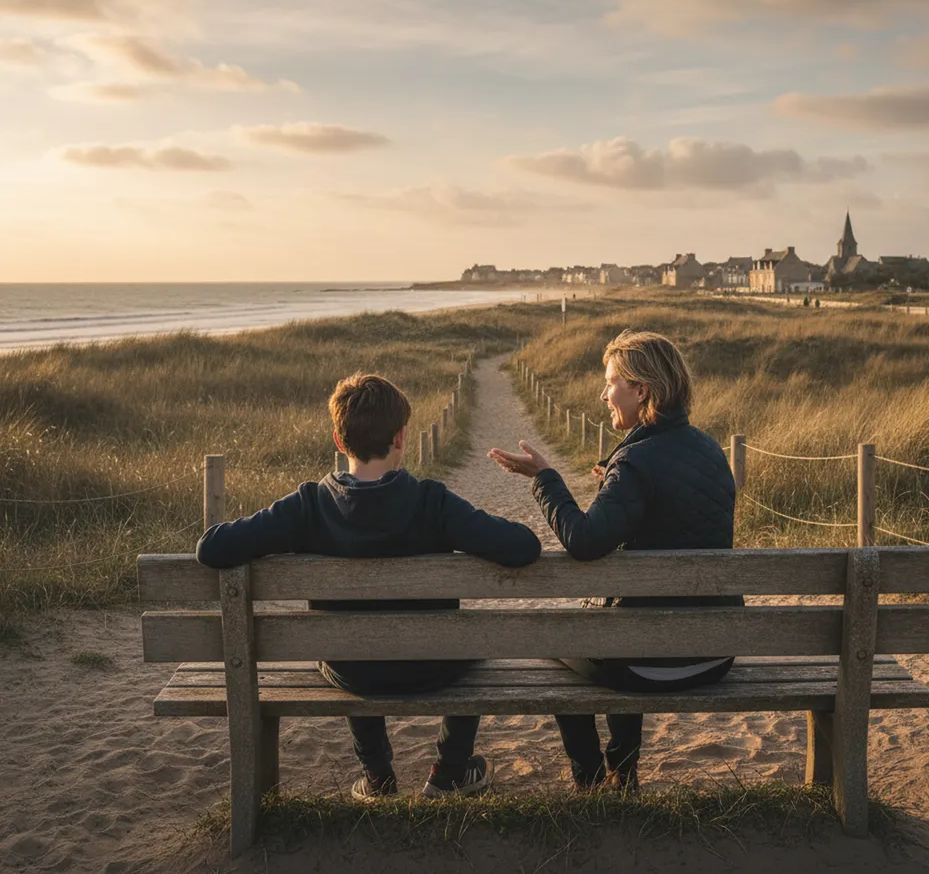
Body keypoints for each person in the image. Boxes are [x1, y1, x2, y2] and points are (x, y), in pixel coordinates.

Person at [196, 372, 541, 800]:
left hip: (351, 671)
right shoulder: (433, 502)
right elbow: (523, 546)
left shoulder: (308, 506)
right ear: (400, 438)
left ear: (340, 441)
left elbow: (212, 548)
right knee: (473, 637)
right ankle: (450, 771)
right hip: (434, 667)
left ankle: (377, 775)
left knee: (348, 637)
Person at [488, 330, 741, 791]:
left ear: (642, 390)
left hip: (653, 662)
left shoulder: (636, 463)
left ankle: (592, 777)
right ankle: (621, 773)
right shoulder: (709, 449)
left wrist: (546, 477)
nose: (604, 394)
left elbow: (583, 541)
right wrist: (618, 483)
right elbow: (681, 515)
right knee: (627, 630)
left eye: (611, 383)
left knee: (558, 639)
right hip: (715, 651)